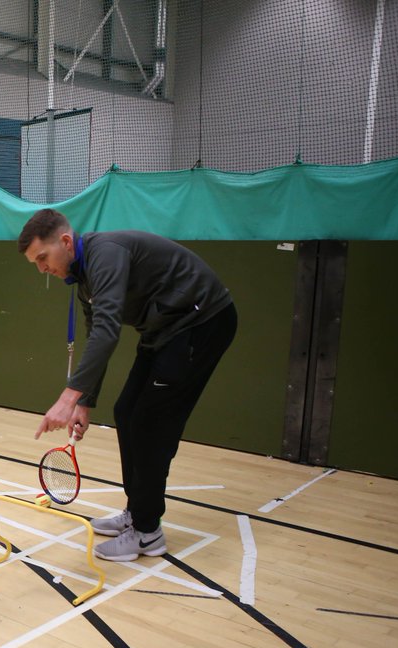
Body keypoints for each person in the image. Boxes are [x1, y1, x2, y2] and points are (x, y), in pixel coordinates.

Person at [18, 209, 237, 562]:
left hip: (203, 320)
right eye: (35, 263)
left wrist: (66, 399)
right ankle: (137, 512)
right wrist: (85, 403)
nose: (42, 268)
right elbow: (96, 337)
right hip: (166, 329)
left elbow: (108, 331)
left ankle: (148, 531)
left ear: (65, 241)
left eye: (43, 258)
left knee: (151, 421)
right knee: (126, 410)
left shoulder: (107, 253)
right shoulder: (84, 277)